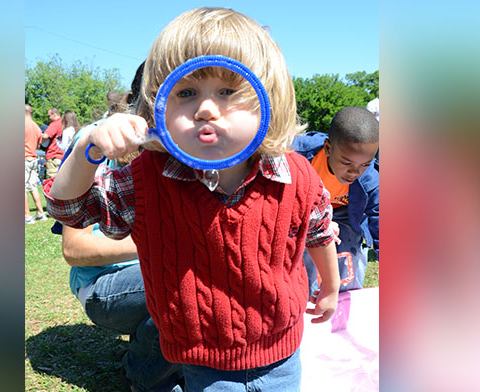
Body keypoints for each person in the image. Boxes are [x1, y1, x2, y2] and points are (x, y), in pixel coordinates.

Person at [45, 7, 339, 391]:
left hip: (282, 351)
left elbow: (318, 232)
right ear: (158, 107)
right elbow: (70, 209)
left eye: (228, 90)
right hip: (203, 361)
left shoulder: (297, 174)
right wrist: (88, 147)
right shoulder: (144, 178)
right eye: (185, 92)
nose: (205, 108)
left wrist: (330, 285)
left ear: (269, 97)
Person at [52, 63, 184, 392]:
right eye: (185, 94)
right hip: (104, 286)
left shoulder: (192, 146)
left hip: (153, 273)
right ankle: (144, 375)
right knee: (185, 274)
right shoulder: (104, 143)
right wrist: (167, 243)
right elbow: (74, 249)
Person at [292, 106, 379, 292]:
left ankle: (347, 302)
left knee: (349, 258)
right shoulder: (298, 158)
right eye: (347, 163)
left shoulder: (370, 178)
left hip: (345, 214)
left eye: (365, 164)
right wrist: (315, 223)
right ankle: (308, 300)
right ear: (328, 149)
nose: (355, 172)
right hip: (305, 212)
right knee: (308, 259)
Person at [25, 104, 47, 224]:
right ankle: (40, 213)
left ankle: (27, 216)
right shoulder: (36, 127)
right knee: (33, 187)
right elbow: (39, 145)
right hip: (33, 158)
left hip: (24, 157)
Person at [40, 108, 64, 179]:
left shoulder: (55, 123)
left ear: (54, 114)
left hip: (53, 156)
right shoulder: (65, 123)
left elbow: (45, 136)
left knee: (51, 182)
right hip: (62, 156)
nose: (48, 118)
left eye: (49, 116)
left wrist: (38, 142)